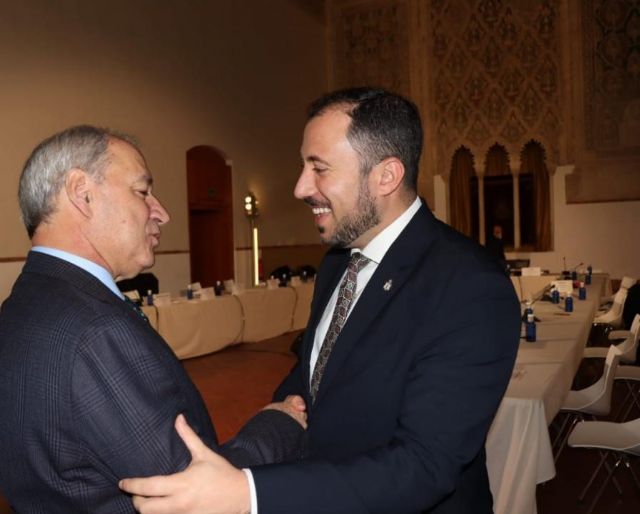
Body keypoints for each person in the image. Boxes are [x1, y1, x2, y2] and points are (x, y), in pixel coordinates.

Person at [120, 88, 521, 513]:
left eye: (320, 168)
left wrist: (248, 495)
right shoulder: (337, 263)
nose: (299, 187)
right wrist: (278, 419)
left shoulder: (468, 285)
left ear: (386, 176)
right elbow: (319, 369)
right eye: (303, 165)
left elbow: (423, 466)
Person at [0, 126, 306, 513]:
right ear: (83, 194)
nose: (161, 211)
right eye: (143, 191)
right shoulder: (96, 331)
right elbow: (188, 492)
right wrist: (278, 425)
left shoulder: (20, 306)